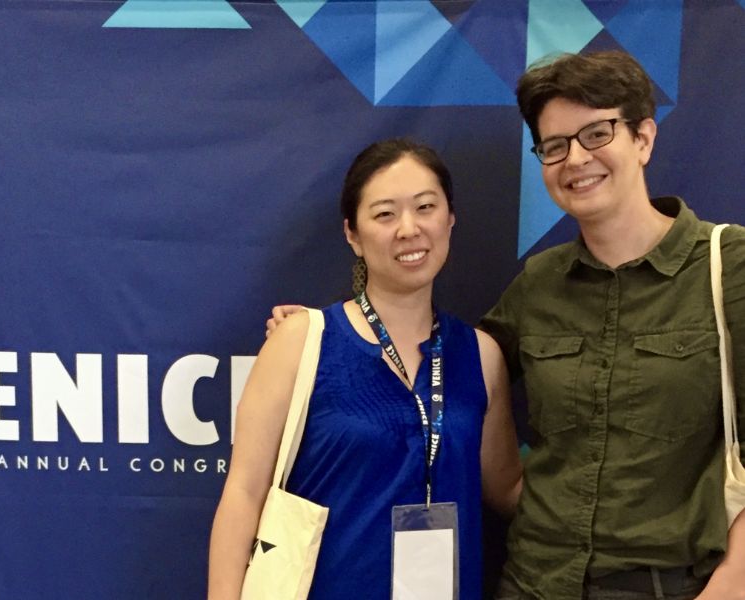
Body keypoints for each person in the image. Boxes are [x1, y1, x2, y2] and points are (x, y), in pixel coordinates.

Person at [267, 51, 745, 599]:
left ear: (643, 139)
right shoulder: (539, 285)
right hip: (535, 582)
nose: (576, 158)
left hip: (672, 584)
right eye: (555, 145)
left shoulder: (727, 266)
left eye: (597, 133)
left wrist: (731, 584)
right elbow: (438, 361)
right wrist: (324, 337)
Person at [208, 139, 522, 600]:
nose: (409, 228)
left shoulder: (481, 355)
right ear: (352, 234)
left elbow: (508, 489)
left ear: (450, 218)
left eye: (426, 207)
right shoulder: (301, 341)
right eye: (385, 214)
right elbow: (244, 494)